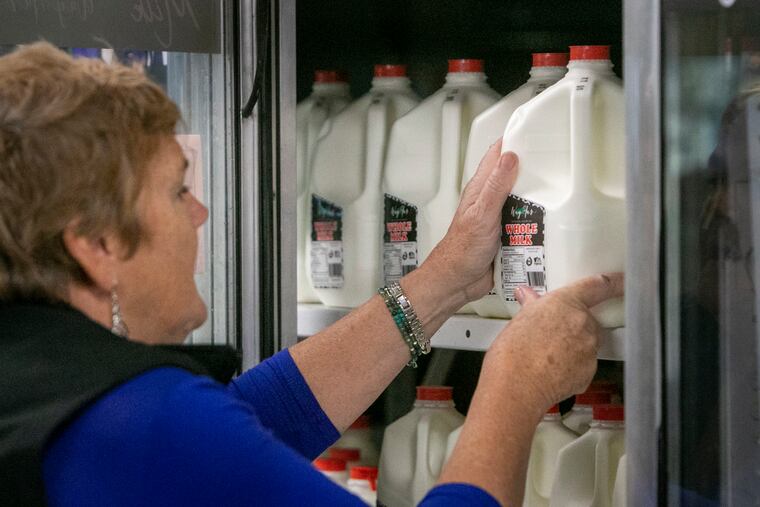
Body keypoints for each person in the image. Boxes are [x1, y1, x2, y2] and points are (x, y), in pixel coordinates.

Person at [0, 43, 623, 506]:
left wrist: (446, 278)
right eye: (175, 192)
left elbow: (250, 418)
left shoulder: (38, 381)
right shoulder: (139, 425)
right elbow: (191, 435)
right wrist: (513, 387)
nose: (201, 212)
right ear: (96, 243)